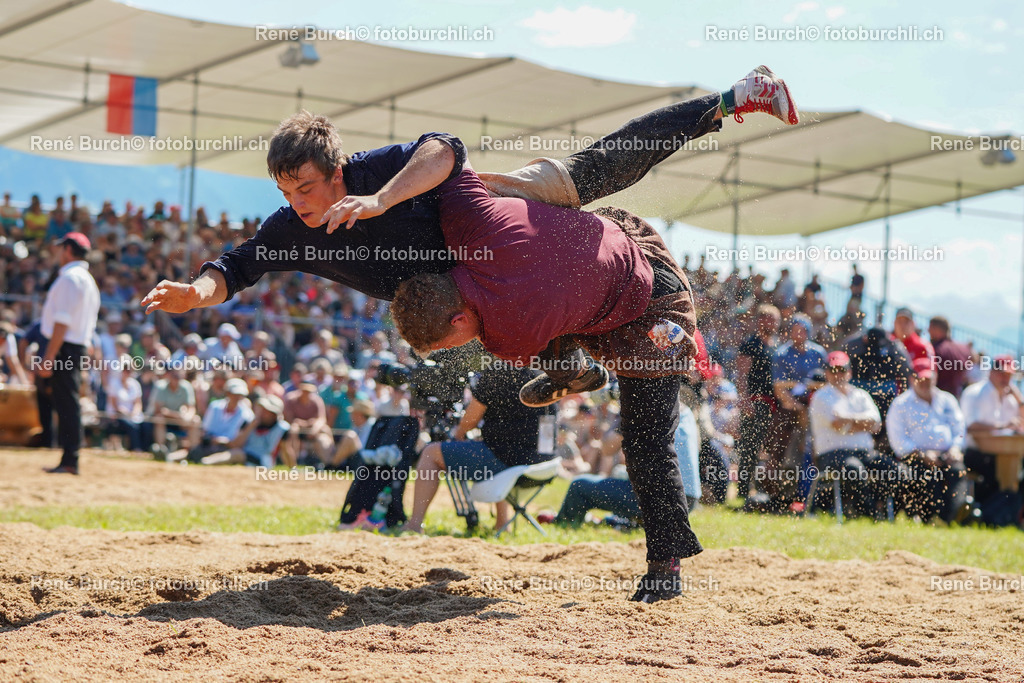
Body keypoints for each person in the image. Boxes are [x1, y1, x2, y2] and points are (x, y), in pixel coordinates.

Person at [142, 65, 800, 408]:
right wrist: (197, 294)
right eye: (286, 194)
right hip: (472, 288)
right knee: (502, 324)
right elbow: (238, 265)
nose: (298, 204)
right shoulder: (293, 230)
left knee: (597, 171)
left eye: (307, 189)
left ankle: (738, 95)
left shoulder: (371, 174)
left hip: (500, 214)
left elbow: (444, 148)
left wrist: (380, 199)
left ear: (336, 169)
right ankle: (570, 368)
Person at [389, 166, 702, 603]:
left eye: (448, 342)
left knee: (646, 441)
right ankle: (573, 371)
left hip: (653, 301)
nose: (458, 348)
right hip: (593, 305)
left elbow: (448, 158)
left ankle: (665, 566)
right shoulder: (474, 270)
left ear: (457, 317)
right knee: (532, 323)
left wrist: (722, 107)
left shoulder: (508, 315)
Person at [401, 364, 557, 533]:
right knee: (502, 448)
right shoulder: (541, 377)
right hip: (544, 465)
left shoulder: (498, 373)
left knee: (430, 452)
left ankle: (415, 524)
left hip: (511, 464)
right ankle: (502, 524)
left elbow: (470, 420)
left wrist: (458, 435)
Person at [556, 402, 701, 525]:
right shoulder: (683, 407)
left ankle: (565, 522)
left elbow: (607, 449)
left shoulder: (638, 404)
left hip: (657, 501)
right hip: (688, 501)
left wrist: (617, 419)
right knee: (624, 475)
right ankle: (628, 522)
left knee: (579, 485)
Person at [34, 232, 100, 475]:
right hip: (76, 345)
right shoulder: (87, 280)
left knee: (67, 403)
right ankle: (69, 457)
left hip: (65, 346)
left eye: (62, 248)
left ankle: (70, 459)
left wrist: (49, 356)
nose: (58, 253)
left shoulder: (70, 278)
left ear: (68, 250)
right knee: (68, 401)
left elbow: (61, 322)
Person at [807, 351, 891, 517]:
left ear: (849, 372)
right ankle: (871, 515)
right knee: (854, 469)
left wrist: (849, 419)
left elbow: (876, 425)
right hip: (831, 455)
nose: (838, 374)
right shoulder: (820, 396)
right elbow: (838, 425)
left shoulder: (861, 394)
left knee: (896, 470)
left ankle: (888, 511)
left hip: (863, 452)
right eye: (833, 370)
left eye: (842, 370)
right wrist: (863, 424)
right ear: (826, 373)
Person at [886, 357, 968, 523]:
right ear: (911, 379)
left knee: (957, 472)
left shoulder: (947, 400)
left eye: (928, 379)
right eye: (920, 379)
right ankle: (931, 518)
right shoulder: (901, 404)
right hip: (915, 457)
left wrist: (955, 448)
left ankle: (955, 516)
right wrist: (922, 454)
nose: (924, 383)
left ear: (935, 378)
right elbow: (898, 440)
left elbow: (959, 429)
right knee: (926, 476)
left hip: (947, 455)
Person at [959, 355, 1023, 511]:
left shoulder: (1011, 397)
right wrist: (1002, 426)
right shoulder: (975, 393)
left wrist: (1019, 400)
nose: (1006, 379)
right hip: (975, 451)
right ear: (991, 372)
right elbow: (970, 425)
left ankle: (1008, 512)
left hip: (1006, 452)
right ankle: (989, 512)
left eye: (1009, 375)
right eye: (1002, 374)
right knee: (993, 469)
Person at [735, 304, 780, 500]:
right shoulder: (750, 344)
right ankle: (744, 489)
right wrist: (744, 400)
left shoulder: (777, 345)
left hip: (773, 403)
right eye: (767, 318)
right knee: (750, 447)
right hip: (755, 401)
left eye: (774, 320)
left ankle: (765, 487)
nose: (770, 323)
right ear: (760, 320)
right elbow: (741, 374)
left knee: (767, 448)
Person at [166, 378, 254, 463]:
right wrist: (212, 440)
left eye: (240, 395)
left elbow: (239, 441)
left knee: (232, 454)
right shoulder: (215, 406)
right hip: (209, 444)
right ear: (227, 393)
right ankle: (169, 457)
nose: (237, 398)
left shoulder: (247, 414)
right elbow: (206, 430)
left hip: (229, 449)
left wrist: (225, 442)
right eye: (234, 394)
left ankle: (204, 461)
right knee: (193, 452)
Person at [199, 395, 291, 468]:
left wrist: (292, 467)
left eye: (266, 411)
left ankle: (206, 462)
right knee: (237, 453)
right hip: (246, 456)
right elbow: (236, 444)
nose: (262, 413)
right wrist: (250, 427)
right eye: (262, 409)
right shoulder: (250, 422)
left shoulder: (282, 428)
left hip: (263, 461)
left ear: (273, 414)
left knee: (238, 454)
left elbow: (285, 450)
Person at [928, 316, 971, 399]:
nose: (928, 331)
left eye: (930, 327)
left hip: (937, 399)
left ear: (936, 329)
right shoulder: (963, 349)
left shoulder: (934, 349)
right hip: (956, 398)